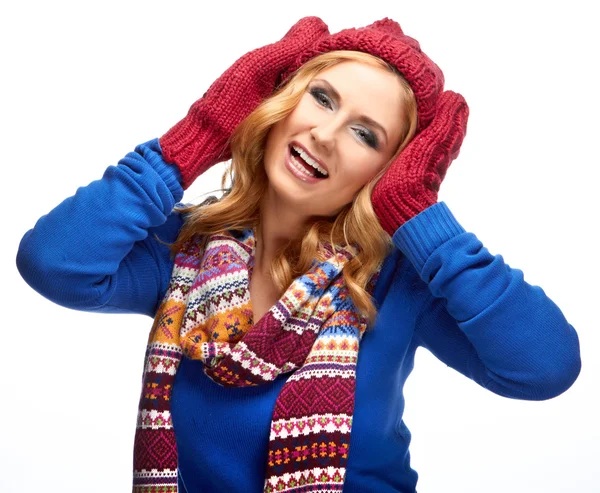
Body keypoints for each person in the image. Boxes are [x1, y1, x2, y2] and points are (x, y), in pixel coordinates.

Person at [15, 16, 581, 493]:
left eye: (367, 135)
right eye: (322, 98)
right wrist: (199, 135)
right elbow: (54, 263)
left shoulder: (397, 282)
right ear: (279, 102)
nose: (326, 134)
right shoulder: (181, 252)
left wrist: (417, 214)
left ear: (388, 171)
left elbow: (545, 368)